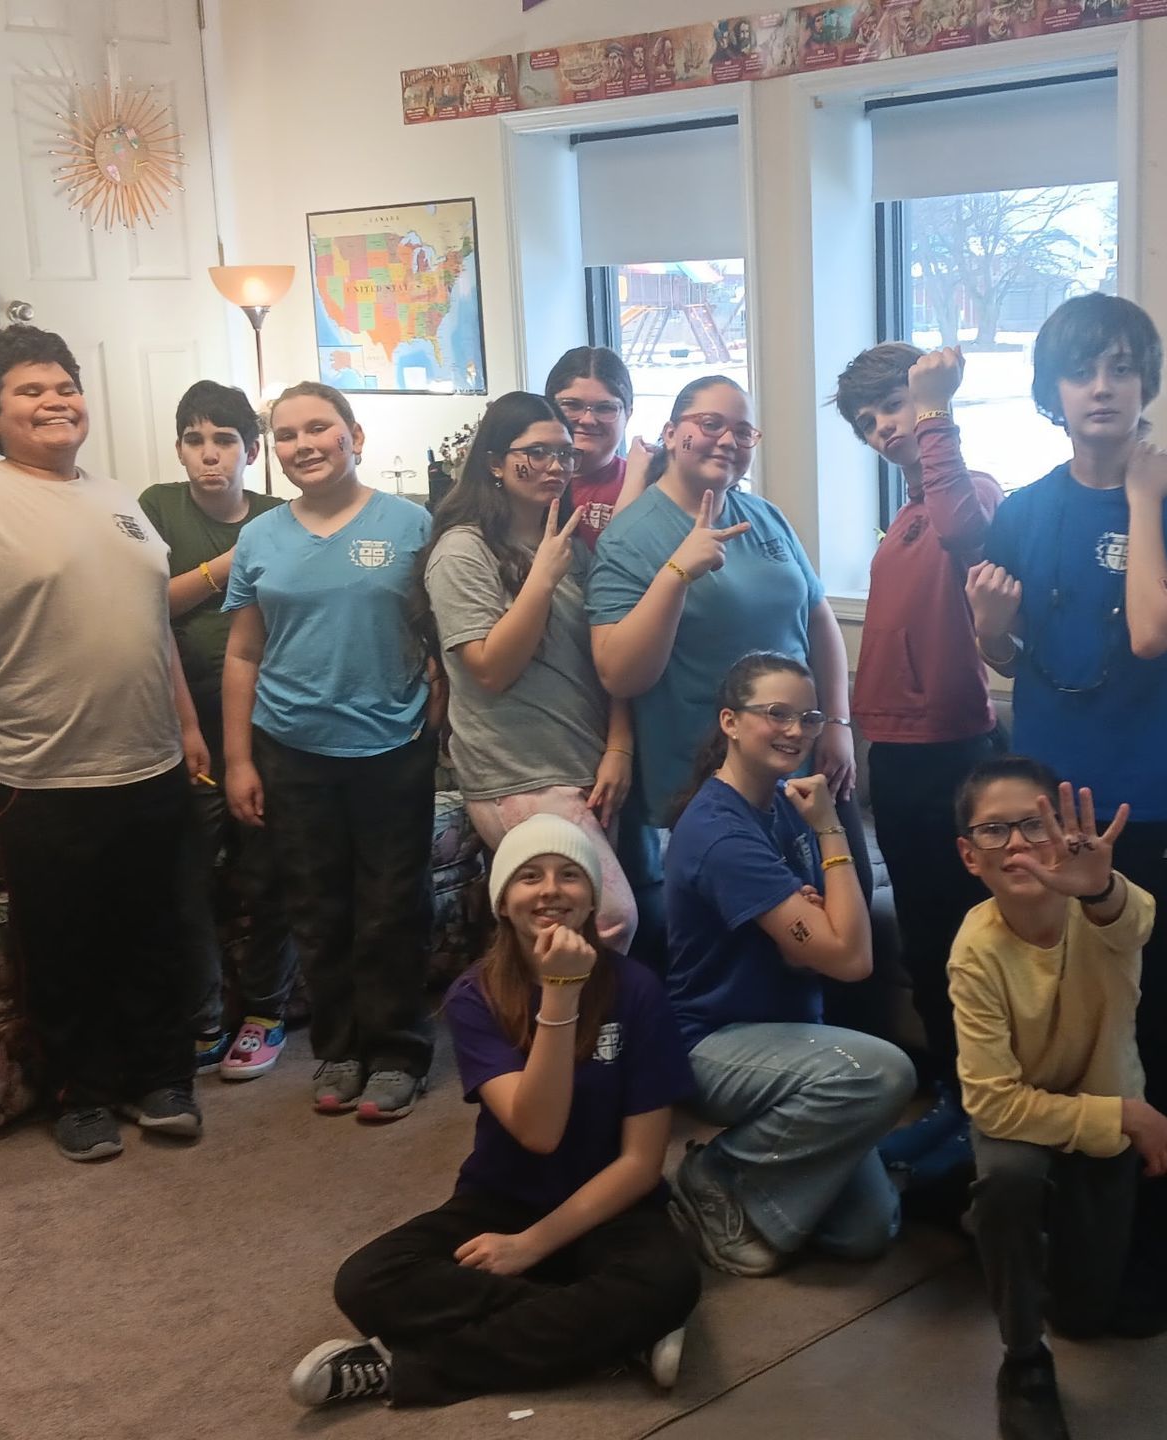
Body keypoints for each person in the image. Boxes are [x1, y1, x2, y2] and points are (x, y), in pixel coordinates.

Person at [0, 324, 208, 1162]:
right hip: (40, 773)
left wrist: (189, 724)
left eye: (64, 385)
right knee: (63, 941)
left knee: (156, 930)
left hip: (151, 759)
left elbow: (149, 622)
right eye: (30, 391)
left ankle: (161, 1077)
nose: (55, 401)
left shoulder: (117, 498)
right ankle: (82, 1091)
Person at [965, 293, 1167, 1320]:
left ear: (1147, 385)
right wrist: (989, 628)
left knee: (1148, 1033)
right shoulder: (1024, 511)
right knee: (1050, 1038)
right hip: (1040, 824)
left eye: (1123, 367)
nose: (1105, 386)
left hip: (1137, 816)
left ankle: (1152, 1259)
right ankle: (1066, 1257)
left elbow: (1159, 630)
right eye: (1084, 370)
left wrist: (1146, 501)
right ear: (1054, 391)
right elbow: (1007, 658)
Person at [290, 814, 699, 1410]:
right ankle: (614, 1332)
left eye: (569, 875)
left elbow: (640, 1163)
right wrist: (559, 995)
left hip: (612, 1206)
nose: (551, 890)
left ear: (591, 898)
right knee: (367, 1280)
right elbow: (538, 1132)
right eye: (529, 876)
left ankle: (404, 1369)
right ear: (504, 902)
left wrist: (533, 1246)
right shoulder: (475, 995)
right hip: (503, 1196)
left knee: (670, 1282)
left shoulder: (636, 989)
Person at [586, 374, 876, 985]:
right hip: (702, 785)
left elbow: (817, 615)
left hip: (800, 766)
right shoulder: (632, 537)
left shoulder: (764, 516)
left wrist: (838, 723)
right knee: (740, 953)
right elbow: (620, 671)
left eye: (743, 430)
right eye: (710, 424)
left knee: (840, 911)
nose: (728, 440)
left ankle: (834, 1052)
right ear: (671, 433)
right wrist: (676, 573)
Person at [221, 381, 440, 1123]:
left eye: (319, 428)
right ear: (272, 450)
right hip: (291, 750)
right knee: (316, 908)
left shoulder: (411, 524)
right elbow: (244, 653)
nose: (303, 445)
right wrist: (240, 759)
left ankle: (398, 1053)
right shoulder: (259, 537)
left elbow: (439, 634)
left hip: (392, 744)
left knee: (391, 907)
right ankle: (341, 1050)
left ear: (355, 434)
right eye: (286, 435)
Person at [661, 653, 914, 1277]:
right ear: (730, 721)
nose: (797, 731)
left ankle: (763, 1189)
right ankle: (713, 1172)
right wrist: (830, 831)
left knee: (866, 1232)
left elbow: (837, 939)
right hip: (715, 1044)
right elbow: (851, 958)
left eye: (808, 716)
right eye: (776, 714)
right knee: (883, 1076)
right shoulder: (723, 833)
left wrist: (814, 930)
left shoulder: (781, 803)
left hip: (796, 1033)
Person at [947, 756, 1167, 1440]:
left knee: (1084, 1312)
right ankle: (1021, 1360)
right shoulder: (975, 950)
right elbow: (993, 1106)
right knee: (1008, 1181)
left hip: (1098, 1109)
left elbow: (1130, 921)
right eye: (995, 831)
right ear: (969, 856)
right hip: (1030, 1114)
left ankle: (1019, 1241)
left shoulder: (1104, 907)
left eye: (1033, 825)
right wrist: (1126, 1115)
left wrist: (1100, 886)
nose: (1017, 843)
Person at [832, 340, 1005, 1181]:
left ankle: (985, 1106)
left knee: (971, 944)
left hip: (955, 756)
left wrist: (936, 415)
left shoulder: (967, 492)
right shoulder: (903, 515)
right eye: (868, 424)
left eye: (892, 410)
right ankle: (951, 1094)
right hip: (893, 756)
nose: (881, 431)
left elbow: (965, 533)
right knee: (929, 949)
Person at [416, 392, 638, 950]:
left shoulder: (564, 546)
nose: (554, 467)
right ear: (495, 462)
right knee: (608, 922)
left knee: (567, 934)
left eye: (564, 454)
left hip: (582, 763)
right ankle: (545, 1035)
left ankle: (586, 1036)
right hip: (515, 772)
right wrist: (540, 580)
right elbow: (490, 669)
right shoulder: (463, 551)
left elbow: (605, 656)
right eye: (535, 452)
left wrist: (618, 747)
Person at [138, 380, 294, 1081]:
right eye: (195, 440)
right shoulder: (155, 508)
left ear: (251, 450)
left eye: (224, 440)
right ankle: (203, 1015)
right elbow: (147, 605)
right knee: (185, 875)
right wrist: (227, 565)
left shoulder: (282, 515)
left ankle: (265, 1011)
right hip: (183, 717)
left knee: (267, 873)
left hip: (273, 716)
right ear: (178, 449)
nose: (209, 455)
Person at [543, 345, 652, 549]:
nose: (588, 419)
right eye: (572, 405)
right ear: (548, 408)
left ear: (628, 414)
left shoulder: (650, 486)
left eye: (605, 408)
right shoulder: (524, 482)